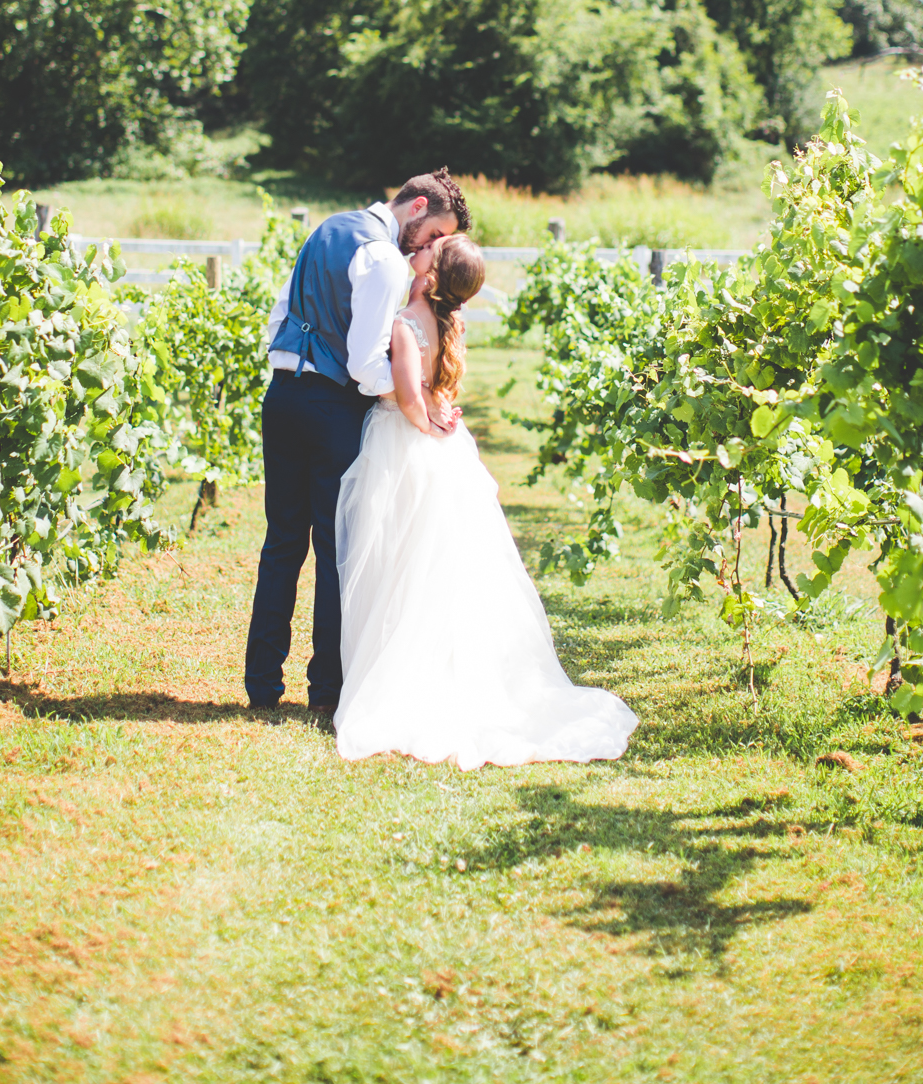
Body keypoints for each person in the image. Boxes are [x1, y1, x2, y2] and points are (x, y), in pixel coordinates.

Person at [333, 233, 638, 768]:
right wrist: (438, 411)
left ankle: (400, 679)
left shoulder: (406, 326)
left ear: (430, 275)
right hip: (446, 447)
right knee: (438, 565)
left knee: (402, 562)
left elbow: (406, 396)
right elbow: (434, 388)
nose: (420, 249)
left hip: (406, 446)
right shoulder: (451, 322)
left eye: (431, 249)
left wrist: (424, 415)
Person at [244, 169, 471, 713]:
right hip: (333, 408)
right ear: (417, 207)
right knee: (336, 550)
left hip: (282, 397)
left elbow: (280, 317)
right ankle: (327, 690)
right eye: (437, 235)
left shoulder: (325, 229)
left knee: (280, 544)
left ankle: (262, 687)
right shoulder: (385, 260)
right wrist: (421, 394)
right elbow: (366, 367)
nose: (434, 249)